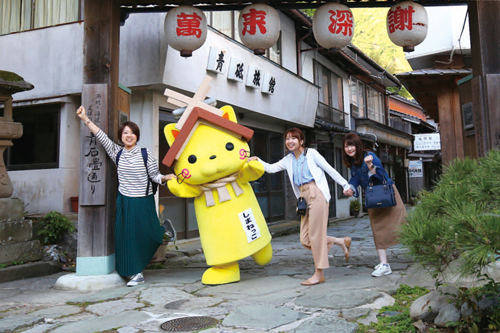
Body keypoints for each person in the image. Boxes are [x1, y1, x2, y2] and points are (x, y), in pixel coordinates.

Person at [76, 106, 176, 286]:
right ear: (121, 137)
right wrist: (85, 119)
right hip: (125, 200)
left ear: (137, 136)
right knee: (127, 237)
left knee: (151, 235)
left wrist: (166, 177)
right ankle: (135, 273)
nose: (128, 136)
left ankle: (163, 229)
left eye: (132, 133)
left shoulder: (146, 154)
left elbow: (154, 176)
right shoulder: (117, 152)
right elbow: (101, 136)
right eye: (125, 133)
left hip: (143, 200)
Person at [249, 128, 352, 286]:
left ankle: (319, 273)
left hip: (316, 193)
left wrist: (345, 184)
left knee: (316, 236)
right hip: (303, 197)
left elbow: (329, 169)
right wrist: (257, 161)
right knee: (305, 239)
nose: (290, 141)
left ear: (301, 141)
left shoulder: (311, 154)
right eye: (287, 138)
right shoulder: (288, 159)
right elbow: (271, 168)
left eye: (293, 138)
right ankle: (339, 241)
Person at [342, 133, 406, 277]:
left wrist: (370, 165)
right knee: (377, 230)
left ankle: (429, 248)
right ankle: (384, 264)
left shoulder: (369, 156)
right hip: (373, 198)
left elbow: (381, 176)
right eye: (346, 146)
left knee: (402, 225)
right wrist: (350, 188)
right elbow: (355, 179)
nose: (349, 149)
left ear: (358, 145)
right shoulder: (354, 163)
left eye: (352, 145)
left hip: (387, 195)